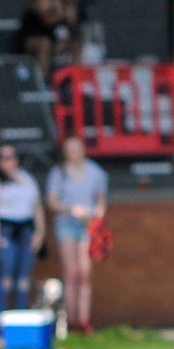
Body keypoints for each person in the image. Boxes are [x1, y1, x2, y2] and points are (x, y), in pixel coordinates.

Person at [45, 136, 107, 335]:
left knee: (85, 272)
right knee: (71, 272)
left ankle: (84, 320)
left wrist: (96, 220)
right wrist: (71, 210)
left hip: (87, 226)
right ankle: (70, 320)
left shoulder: (96, 172)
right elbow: (52, 202)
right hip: (67, 224)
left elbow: (100, 201)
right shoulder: (59, 173)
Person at [0, 143, 44, 315]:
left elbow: (36, 206)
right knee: (5, 277)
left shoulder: (26, 178)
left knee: (23, 279)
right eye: (5, 158)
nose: (9, 161)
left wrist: (40, 232)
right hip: (6, 231)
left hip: (26, 230)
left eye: (12, 157)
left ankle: (22, 318)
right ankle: (2, 320)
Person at [17, 0, 82, 79]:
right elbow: (48, 20)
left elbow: (72, 27)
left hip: (54, 40)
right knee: (44, 44)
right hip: (30, 39)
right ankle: (41, 82)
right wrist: (64, 12)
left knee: (76, 46)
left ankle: (73, 81)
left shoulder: (67, 2)